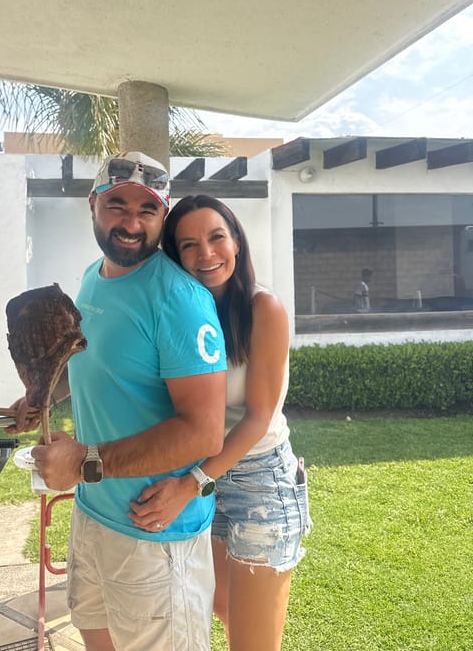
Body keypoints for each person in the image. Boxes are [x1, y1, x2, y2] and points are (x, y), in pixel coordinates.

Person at [9, 152, 227, 651]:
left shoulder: (179, 299)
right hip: (94, 512)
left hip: (153, 532)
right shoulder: (93, 278)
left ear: (162, 217)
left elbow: (203, 431)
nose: (131, 223)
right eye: (117, 205)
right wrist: (39, 397)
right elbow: (87, 362)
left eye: (147, 211)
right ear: (93, 206)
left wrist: (83, 462)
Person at [129, 194, 312, 651]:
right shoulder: (178, 312)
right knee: (224, 611)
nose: (205, 254)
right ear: (175, 257)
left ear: (236, 243)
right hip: (205, 472)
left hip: (257, 481)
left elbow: (257, 418)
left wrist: (191, 483)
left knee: (252, 642)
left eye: (216, 238)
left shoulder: (262, 308)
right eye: (188, 245)